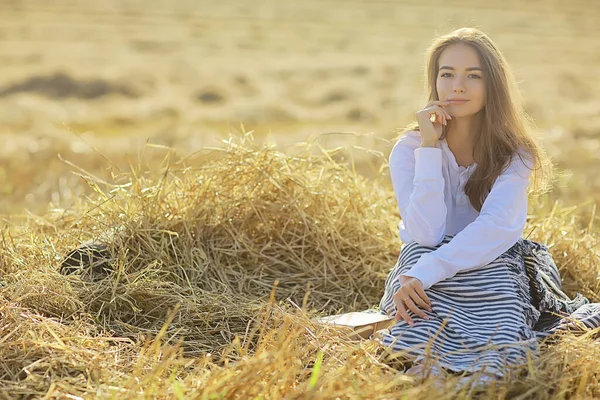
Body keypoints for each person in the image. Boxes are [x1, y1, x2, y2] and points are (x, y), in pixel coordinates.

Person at [375, 27, 599, 385]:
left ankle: (480, 376)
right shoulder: (409, 149)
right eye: (446, 74)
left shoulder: (516, 152)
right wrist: (430, 150)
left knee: (500, 340)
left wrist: (429, 270)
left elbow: (497, 228)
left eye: (473, 76)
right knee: (415, 329)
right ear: (434, 82)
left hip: (491, 259)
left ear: (493, 85)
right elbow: (426, 233)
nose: (457, 86)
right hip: (422, 260)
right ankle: (428, 373)